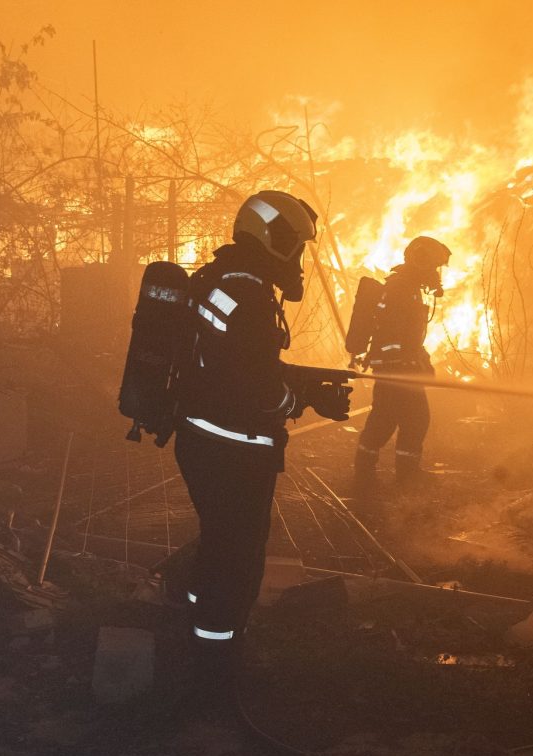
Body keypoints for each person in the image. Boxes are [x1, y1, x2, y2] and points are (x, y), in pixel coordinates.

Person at [174, 190, 351, 704]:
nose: (297, 258)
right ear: (271, 238)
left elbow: (239, 363)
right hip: (233, 449)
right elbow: (258, 388)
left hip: (203, 438)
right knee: (239, 556)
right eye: (294, 245)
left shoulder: (224, 281)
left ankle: (193, 615)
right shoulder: (249, 296)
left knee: (218, 542)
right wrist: (306, 397)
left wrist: (303, 381)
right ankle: (216, 669)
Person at [354, 235, 451, 485]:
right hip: (396, 370)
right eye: (433, 267)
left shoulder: (408, 288)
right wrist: (405, 363)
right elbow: (391, 336)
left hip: (396, 368)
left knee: (385, 418)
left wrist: (420, 359)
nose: (436, 274)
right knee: (415, 419)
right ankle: (404, 475)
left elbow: (408, 338)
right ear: (421, 262)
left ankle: (366, 468)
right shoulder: (401, 288)